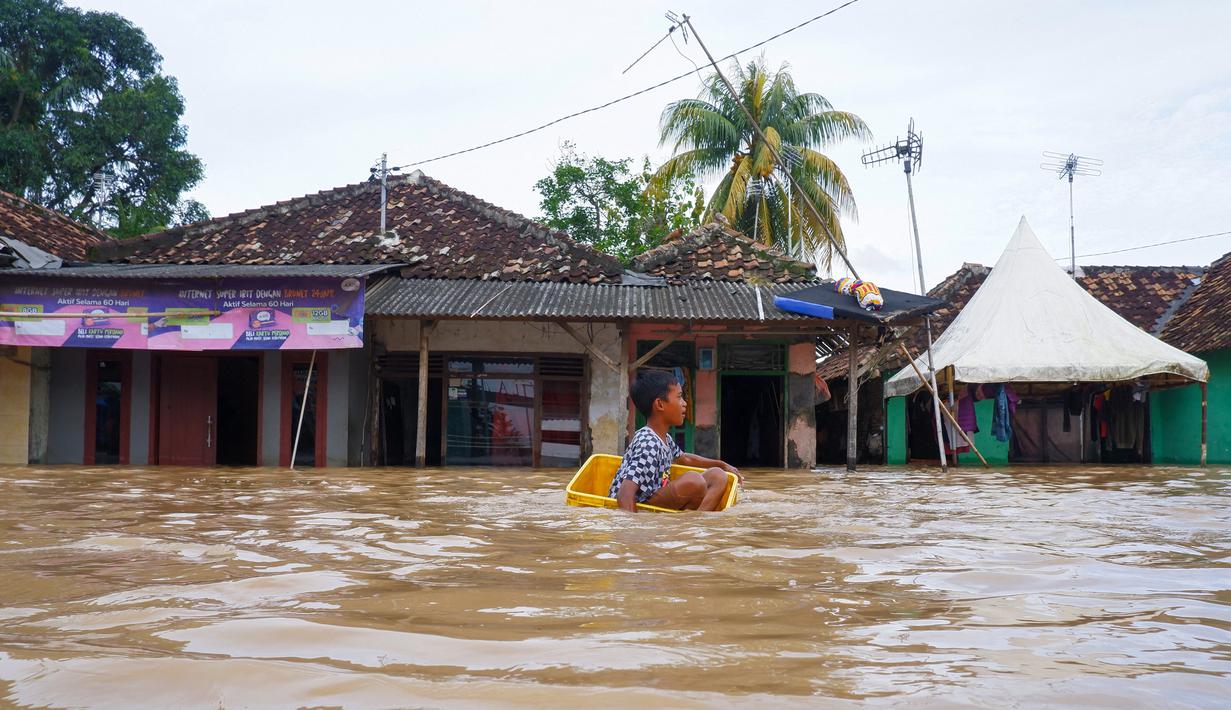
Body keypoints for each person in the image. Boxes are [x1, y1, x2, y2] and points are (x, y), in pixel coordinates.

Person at [610, 370, 741, 512]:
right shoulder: (648, 443)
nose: (684, 404)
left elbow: (685, 459)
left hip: (656, 494)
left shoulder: (664, 438)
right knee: (694, 481)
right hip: (643, 502)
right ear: (660, 404)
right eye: (679, 397)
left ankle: (697, 521)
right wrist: (636, 529)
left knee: (718, 476)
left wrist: (722, 464)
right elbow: (624, 494)